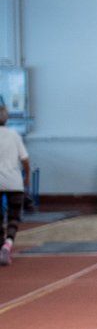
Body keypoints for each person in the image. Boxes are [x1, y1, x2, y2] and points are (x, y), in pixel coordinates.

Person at [0, 105, 29, 266]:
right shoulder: (14, 135)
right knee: (13, 216)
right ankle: (8, 243)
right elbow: (25, 159)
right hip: (13, 181)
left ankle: (1, 247)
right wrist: (27, 176)